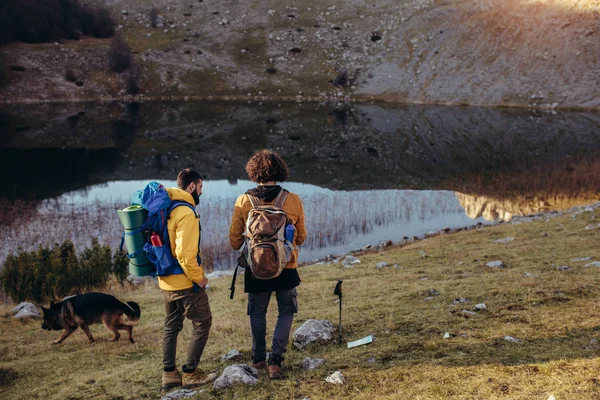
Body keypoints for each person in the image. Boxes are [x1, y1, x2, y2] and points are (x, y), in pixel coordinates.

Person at [229, 150, 307, 379]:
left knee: (257, 313)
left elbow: (234, 242)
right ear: (280, 171)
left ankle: (258, 360)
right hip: (286, 267)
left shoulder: (244, 201)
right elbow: (300, 238)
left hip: (256, 269)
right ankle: (276, 362)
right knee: (286, 311)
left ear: (253, 173)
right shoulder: (292, 199)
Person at [160, 168, 216, 390]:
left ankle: (169, 375)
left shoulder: (168, 207)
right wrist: (199, 278)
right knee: (202, 323)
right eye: (200, 187)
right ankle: (191, 374)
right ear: (192, 186)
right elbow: (185, 254)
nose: (201, 193)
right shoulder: (187, 213)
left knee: (171, 326)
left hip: (166, 280)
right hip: (185, 282)